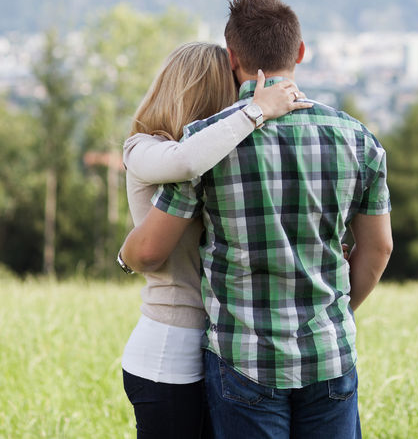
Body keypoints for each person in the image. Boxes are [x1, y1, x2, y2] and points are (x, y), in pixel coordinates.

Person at [120, 0, 394, 438]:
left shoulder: (206, 144)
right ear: (301, 52)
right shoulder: (358, 139)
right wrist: (332, 316)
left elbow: (151, 247)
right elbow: (379, 247)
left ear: (232, 57)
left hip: (242, 359)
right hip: (329, 353)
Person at [119, 41, 312, 438]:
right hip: (170, 350)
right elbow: (186, 160)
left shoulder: (223, 159)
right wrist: (257, 111)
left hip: (221, 349)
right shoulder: (143, 148)